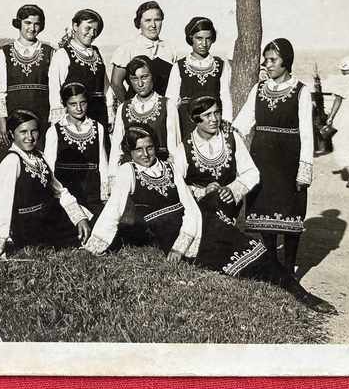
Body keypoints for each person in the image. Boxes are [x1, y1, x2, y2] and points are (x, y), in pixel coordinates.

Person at [85, 125, 335, 313]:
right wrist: (93, 247)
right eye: (138, 149)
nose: (145, 153)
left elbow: (190, 207)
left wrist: (181, 245)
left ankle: (299, 292)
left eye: (149, 147)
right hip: (167, 231)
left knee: (250, 245)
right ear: (129, 151)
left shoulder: (169, 167)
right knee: (239, 257)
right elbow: (113, 210)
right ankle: (295, 290)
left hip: (193, 223)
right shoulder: (128, 171)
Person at [233, 38, 314, 275]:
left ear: (286, 62)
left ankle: (289, 271)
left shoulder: (301, 91)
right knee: (263, 212)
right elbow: (242, 124)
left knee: (290, 216)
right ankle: (271, 266)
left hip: (288, 162)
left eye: (273, 60)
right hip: (262, 159)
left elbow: (307, 134)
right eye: (265, 60)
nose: (267, 65)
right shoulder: (257, 89)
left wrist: (304, 169)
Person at [0, 110, 92, 257]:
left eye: (33, 131)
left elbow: (59, 190)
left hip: (48, 217)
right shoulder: (12, 161)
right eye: (23, 132)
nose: (29, 137)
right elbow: (1, 203)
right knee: (81, 238)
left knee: (92, 225)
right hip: (28, 225)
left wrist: (79, 217)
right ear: (11, 133)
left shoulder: (39, 156)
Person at [173, 96, 258, 228]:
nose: (214, 119)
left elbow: (252, 173)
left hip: (229, 204)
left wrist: (232, 190)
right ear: (194, 119)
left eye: (217, 112)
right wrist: (203, 192)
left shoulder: (232, 138)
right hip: (198, 207)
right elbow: (175, 184)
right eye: (207, 115)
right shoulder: (184, 148)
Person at [44, 82, 110, 222]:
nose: (79, 108)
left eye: (83, 103)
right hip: (67, 195)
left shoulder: (98, 127)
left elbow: (103, 163)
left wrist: (104, 195)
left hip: (92, 194)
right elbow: (48, 169)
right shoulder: (54, 131)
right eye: (73, 104)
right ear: (65, 104)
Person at [0, 4, 53, 157]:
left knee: (42, 157)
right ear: (19, 23)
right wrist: (2, 122)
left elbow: (54, 90)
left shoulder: (49, 52)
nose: (32, 28)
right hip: (14, 115)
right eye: (27, 23)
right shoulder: (5, 52)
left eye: (36, 24)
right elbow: (0, 92)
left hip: (42, 117)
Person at [109, 55, 179, 177]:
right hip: (131, 173)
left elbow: (174, 149)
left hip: (160, 171)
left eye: (144, 77)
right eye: (134, 79)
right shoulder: (123, 108)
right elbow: (116, 149)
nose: (140, 84)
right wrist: (113, 176)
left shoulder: (167, 105)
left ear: (153, 76)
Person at [165, 17, 233, 142]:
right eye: (199, 38)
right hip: (187, 120)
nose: (204, 43)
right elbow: (171, 101)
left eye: (208, 39)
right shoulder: (179, 66)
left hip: (212, 120)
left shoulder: (221, 65)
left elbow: (225, 96)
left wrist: (227, 121)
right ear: (191, 38)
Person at [49, 9, 115, 132]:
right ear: (75, 26)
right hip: (76, 116)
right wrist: (60, 122)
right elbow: (55, 90)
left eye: (95, 30)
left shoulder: (96, 52)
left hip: (100, 113)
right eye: (88, 28)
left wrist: (110, 113)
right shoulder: (62, 54)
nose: (92, 33)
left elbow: (106, 86)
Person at [111, 0, 178, 101]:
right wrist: (127, 106)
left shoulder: (169, 49)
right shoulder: (127, 48)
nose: (153, 25)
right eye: (148, 20)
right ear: (139, 23)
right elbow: (116, 83)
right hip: (136, 110)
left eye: (157, 19)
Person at [322, 56, 349, 189]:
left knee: (340, 142)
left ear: (342, 69)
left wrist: (330, 117)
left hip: (344, 115)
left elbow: (338, 100)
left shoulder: (341, 81)